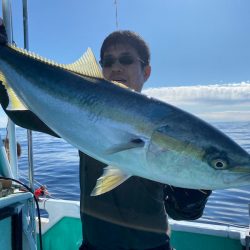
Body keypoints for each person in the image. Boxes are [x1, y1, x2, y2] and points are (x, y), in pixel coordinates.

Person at [0, 20, 211, 250]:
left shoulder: (166, 130)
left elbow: (181, 211)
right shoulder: (81, 115)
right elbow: (22, 116)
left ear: (146, 71)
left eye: (126, 59)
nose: (116, 67)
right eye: (108, 61)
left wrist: (197, 191)